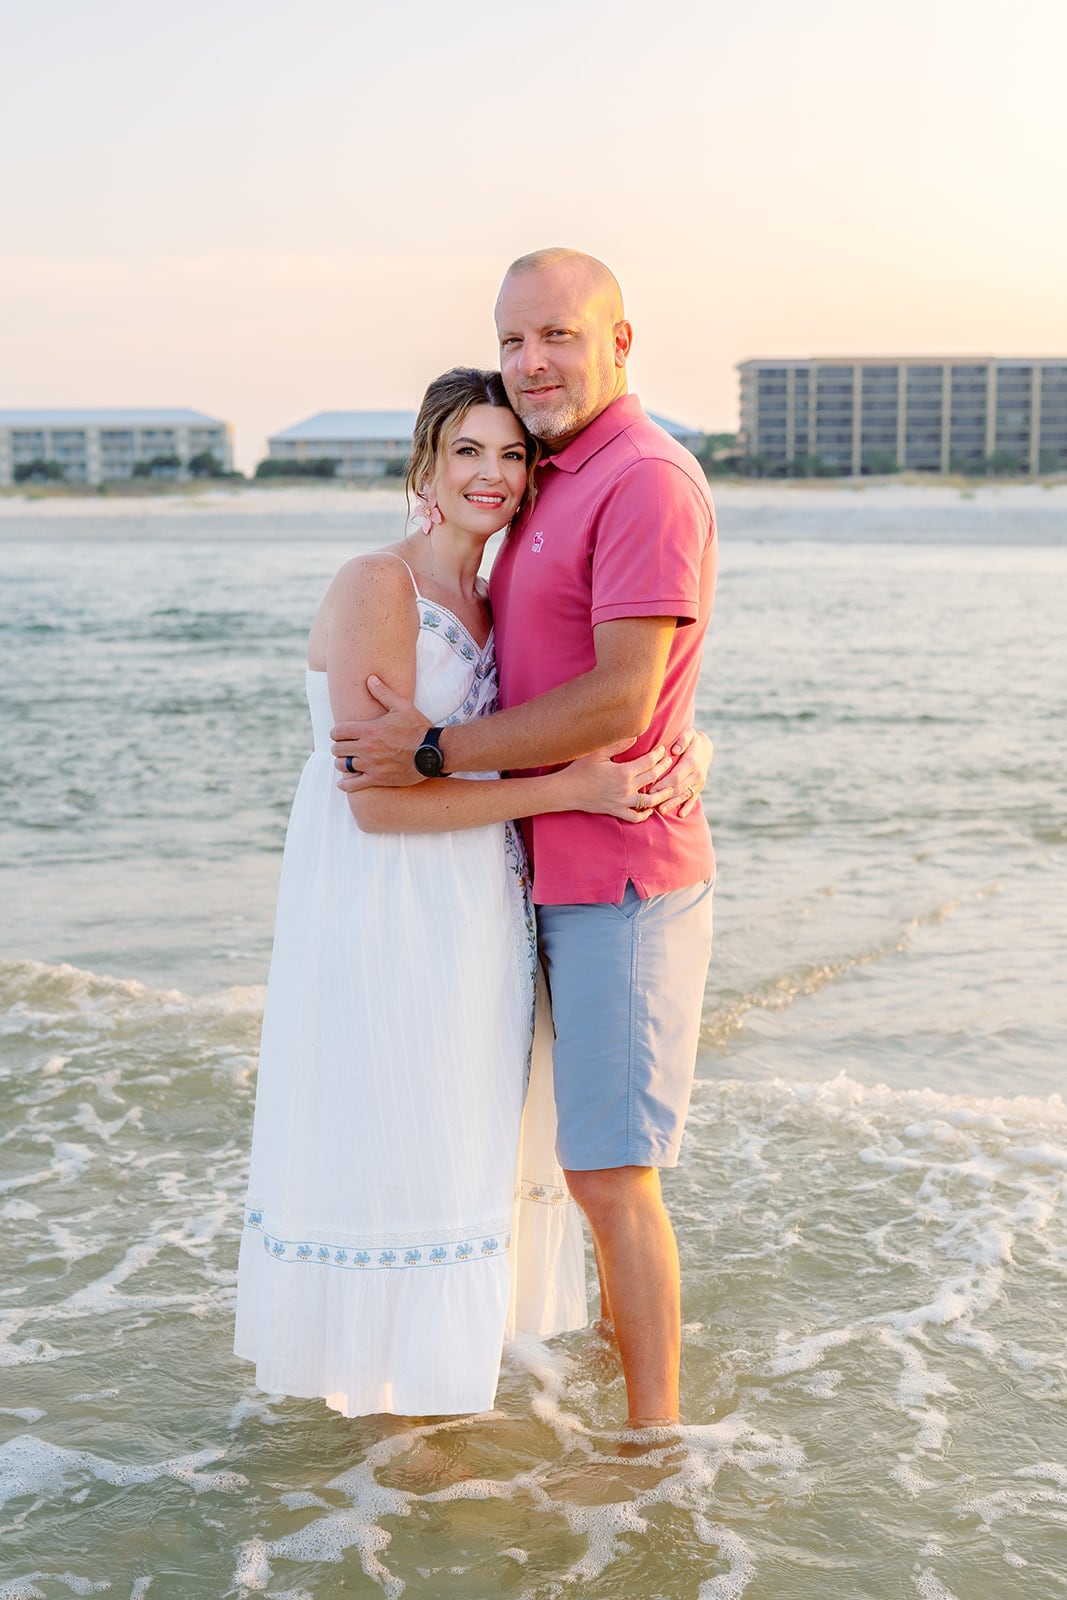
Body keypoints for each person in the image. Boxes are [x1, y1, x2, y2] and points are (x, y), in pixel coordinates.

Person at [234, 367, 704, 1419]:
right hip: (387, 907)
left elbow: (592, 700)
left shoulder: (492, 601)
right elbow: (376, 807)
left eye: (510, 454)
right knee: (398, 1137)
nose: (491, 474)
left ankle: (434, 1406)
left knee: (455, 1147)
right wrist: (571, 788)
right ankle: (393, 1422)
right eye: (466, 452)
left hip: (474, 909)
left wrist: (689, 748)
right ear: (426, 466)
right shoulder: (378, 585)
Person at [332, 249, 718, 1430]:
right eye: (512, 339)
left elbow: (621, 693)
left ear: (619, 341)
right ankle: (603, 1379)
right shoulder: (549, 476)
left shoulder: (642, 477)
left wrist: (435, 750)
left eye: (556, 334)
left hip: (620, 878)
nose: (530, 361)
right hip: (534, 871)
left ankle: (653, 1443)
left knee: (609, 1170)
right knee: (565, 1162)